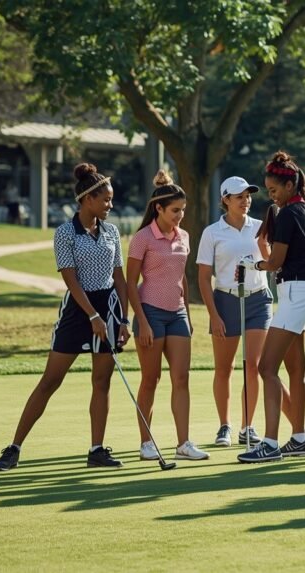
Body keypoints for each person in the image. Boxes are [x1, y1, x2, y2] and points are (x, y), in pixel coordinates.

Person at [0, 163, 129, 471]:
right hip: (77, 311)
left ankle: (96, 450)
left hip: (107, 308)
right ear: (87, 199)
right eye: (105, 199)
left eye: (111, 199)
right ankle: (13, 448)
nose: (110, 205)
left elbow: (119, 278)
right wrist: (91, 315)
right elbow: (71, 280)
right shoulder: (65, 233)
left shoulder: (112, 231)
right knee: (50, 381)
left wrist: (124, 319)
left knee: (101, 382)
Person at [237, 150, 305, 463]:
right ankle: (297, 438)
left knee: (266, 367)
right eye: (269, 190)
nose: (272, 195)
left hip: (294, 291)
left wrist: (254, 265)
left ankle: (268, 443)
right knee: (296, 369)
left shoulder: (288, 213)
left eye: (275, 190)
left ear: (290, 185)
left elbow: (276, 261)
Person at [126, 170, 207, 462]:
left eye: (183, 210)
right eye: (175, 210)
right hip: (150, 313)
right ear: (158, 208)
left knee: (182, 378)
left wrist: (186, 311)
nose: (180, 216)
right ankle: (146, 442)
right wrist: (142, 321)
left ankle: (183, 442)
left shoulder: (183, 236)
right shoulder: (142, 238)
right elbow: (130, 283)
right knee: (151, 379)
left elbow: (181, 276)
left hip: (177, 315)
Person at [197, 176, 272, 448]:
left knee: (253, 366)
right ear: (225, 199)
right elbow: (204, 277)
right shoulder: (212, 232)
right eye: (239, 196)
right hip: (225, 301)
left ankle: (247, 426)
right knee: (224, 368)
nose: (246, 200)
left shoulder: (261, 227)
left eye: (248, 195)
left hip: (258, 300)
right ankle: (224, 426)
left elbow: (270, 261)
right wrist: (213, 315)